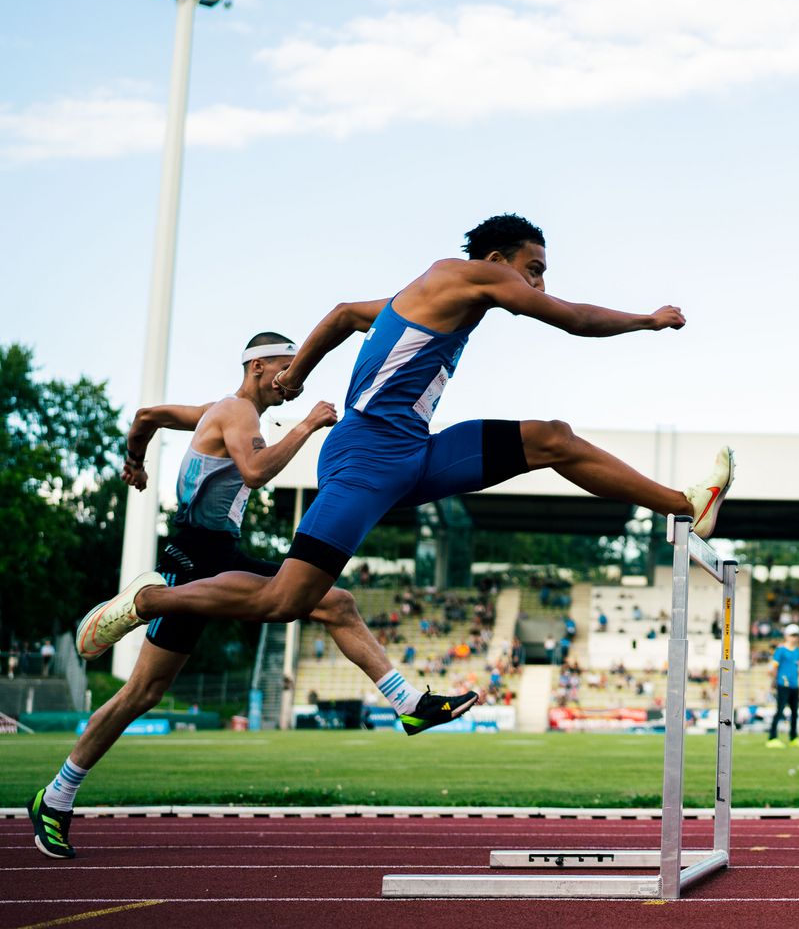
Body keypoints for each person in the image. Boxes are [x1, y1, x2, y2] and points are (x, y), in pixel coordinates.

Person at [75, 214, 735, 682]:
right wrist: (645, 321)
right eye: (532, 270)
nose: (534, 286)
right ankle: (149, 601)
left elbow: (340, 314)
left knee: (551, 440)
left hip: (412, 455)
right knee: (284, 601)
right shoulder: (466, 274)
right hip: (363, 460)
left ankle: (685, 505)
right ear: (497, 261)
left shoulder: (422, 296)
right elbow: (570, 317)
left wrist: (300, 371)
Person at [29, 333, 469, 862]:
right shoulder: (238, 412)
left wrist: (135, 461)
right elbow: (256, 473)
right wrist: (306, 425)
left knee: (336, 603)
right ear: (257, 366)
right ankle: (142, 607)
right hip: (197, 560)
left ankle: (408, 704)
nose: (293, 379)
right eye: (286, 369)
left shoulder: (216, 409)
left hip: (215, 555)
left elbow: (146, 415)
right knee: (140, 695)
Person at [767, 623, 799, 748]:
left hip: (795, 685)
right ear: (786, 636)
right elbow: (772, 667)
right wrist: (776, 681)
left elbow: (796, 667)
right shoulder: (781, 650)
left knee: (795, 712)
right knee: (779, 711)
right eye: (792, 635)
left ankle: (793, 737)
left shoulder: (798, 651)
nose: (794, 638)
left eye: (796, 635)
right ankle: (772, 738)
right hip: (783, 685)